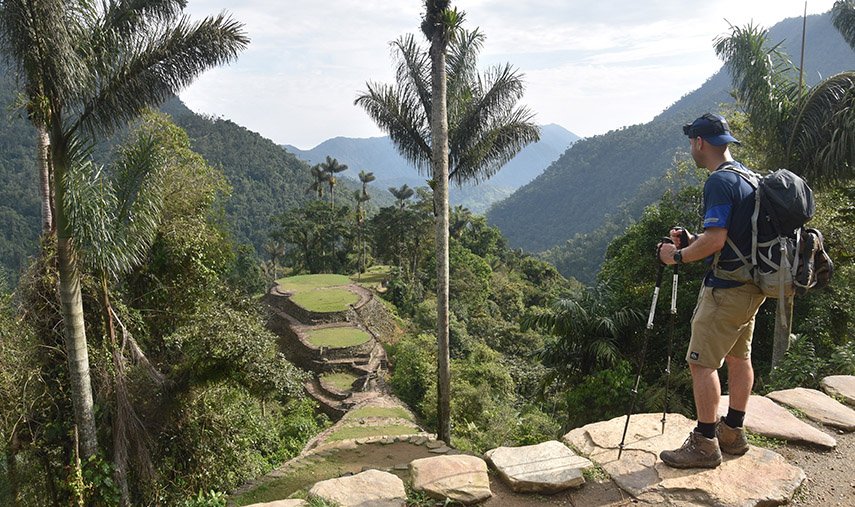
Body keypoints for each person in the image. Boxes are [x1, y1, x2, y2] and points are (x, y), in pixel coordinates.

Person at [657, 113, 766, 469]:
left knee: (701, 363)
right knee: (739, 357)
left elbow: (716, 239)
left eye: (692, 142)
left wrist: (678, 256)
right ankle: (732, 432)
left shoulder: (719, 182)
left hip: (727, 291)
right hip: (753, 286)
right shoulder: (749, 176)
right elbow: (728, 239)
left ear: (700, 142)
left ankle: (705, 443)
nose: (691, 148)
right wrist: (693, 240)